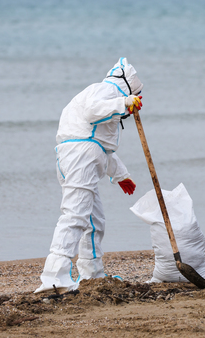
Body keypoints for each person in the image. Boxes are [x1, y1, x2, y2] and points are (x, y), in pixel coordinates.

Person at [34, 57, 144, 294]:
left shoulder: (108, 100)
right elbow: (93, 113)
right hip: (79, 157)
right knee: (75, 216)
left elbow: (103, 149)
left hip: (82, 156)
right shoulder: (104, 90)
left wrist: (120, 175)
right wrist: (124, 103)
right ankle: (54, 278)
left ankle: (92, 275)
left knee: (94, 221)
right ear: (127, 87)